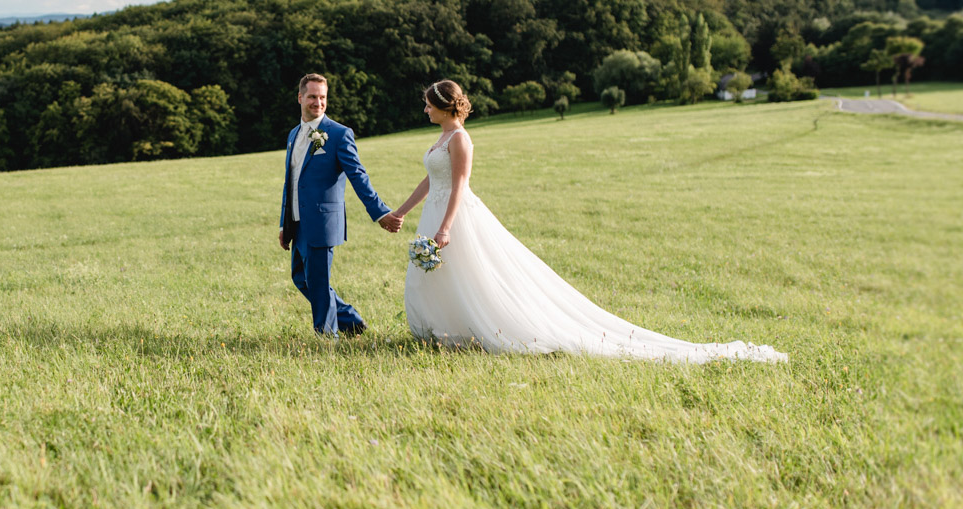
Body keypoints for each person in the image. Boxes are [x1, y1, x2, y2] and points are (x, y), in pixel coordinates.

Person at [390, 79, 788, 362]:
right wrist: (404, 211)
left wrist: (446, 226)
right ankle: (446, 333)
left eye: (428, 104)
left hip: (456, 216)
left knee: (473, 275)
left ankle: (484, 330)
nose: (424, 109)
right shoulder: (441, 138)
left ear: (444, 105)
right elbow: (432, 180)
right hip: (433, 212)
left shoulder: (459, 139)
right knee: (440, 275)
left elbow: (459, 184)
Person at [280, 73, 403, 337]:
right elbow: (290, 182)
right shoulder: (293, 135)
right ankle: (351, 320)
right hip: (298, 221)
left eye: (322, 97)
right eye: (312, 96)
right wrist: (284, 223)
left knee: (319, 282)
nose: (318, 102)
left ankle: (327, 337)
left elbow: (358, 175)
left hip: (322, 222)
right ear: (300, 98)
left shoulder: (338, 134)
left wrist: (380, 211)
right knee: (301, 278)